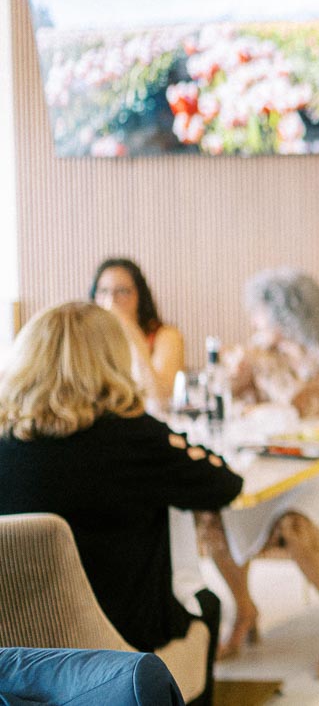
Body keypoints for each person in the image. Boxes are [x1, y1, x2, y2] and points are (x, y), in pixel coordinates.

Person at [0, 301, 242, 706]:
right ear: (113, 360)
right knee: (208, 605)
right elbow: (223, 484)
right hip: (123, 649)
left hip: (15, 652)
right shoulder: (135, 437)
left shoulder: (5, 442)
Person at [199, 267, 319, 679]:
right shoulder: (265, 349)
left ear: (287, 315)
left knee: (296, 525)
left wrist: (260, 363)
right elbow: (227, 398)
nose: (255, 323)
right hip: (278, 458)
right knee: (212, 513)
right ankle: (244, 608)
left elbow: (304, 404)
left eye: (260, 314)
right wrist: (235, 378)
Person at [90, 257, 185, 411]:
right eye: (103, 291)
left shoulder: (165, 335)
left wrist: (128, 328)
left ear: (139, 296)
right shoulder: (88, 341)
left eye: (122, 291)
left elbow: (162, 401)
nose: (111, 300)